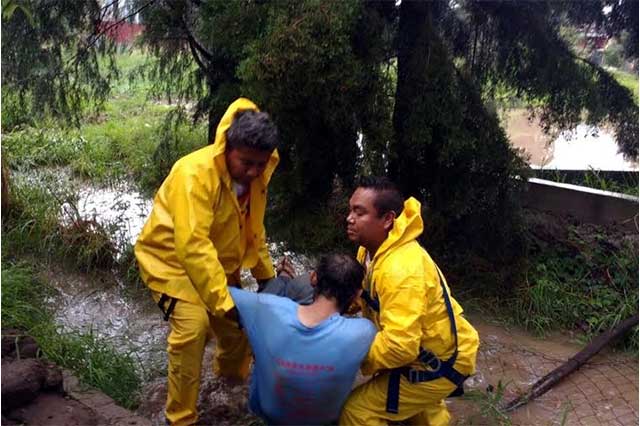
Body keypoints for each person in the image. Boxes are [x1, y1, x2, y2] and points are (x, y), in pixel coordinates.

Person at [134, 97, 280, 426]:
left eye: (261, 163)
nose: (255, 171)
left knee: (240, 332)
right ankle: (180, 417)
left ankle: (227, 389)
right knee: (193, 328)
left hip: (218, 263)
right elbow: (192, 245)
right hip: (169, 263)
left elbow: (254, 229)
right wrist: (224, 301)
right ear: (226, 147)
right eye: (247, 163)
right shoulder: (194, 174)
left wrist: (265, 275)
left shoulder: (255, 178)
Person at [340, 176, 480, 426]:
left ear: (387, 219)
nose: (349, 218)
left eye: (359, 213)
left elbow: (400, 347)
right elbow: (367, 297)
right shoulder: (369, 250)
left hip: (436, 362)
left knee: (356, 413)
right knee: (422, 417)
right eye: (350, 210)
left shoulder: (401, 269)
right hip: (431, 350)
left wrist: (345, 355)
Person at [229, 254, 377, 425]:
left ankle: (284, 275)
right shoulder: (363, 331)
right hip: (323, 420)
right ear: (357, 294)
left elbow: (219, 297)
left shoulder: (267, 307)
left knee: (280, 289)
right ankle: (285, 276)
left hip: (270, 414)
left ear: (313, 277)